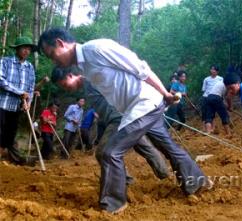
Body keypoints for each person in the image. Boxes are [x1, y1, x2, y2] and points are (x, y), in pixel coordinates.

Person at [39, 28, 209, 214]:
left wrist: (165, 94)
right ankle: (197, 183)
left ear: (61, 43)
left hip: (145, 104)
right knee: (167, 146)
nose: (54, 61)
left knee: (110, 152)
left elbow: (140, 67)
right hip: (135, 109)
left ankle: (113, 205)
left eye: (52, 55)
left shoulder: (96, 48)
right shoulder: (83, 67)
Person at [51, 67, 170, 181]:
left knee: (102, 153)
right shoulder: (87, 86)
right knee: (143, 146)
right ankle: (164, 174)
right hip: (123, 118)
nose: (66, 89)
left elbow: (118, 87)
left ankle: (125, 180)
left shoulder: (92, 79)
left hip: (118, 119)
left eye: (64, 84)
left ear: (70, 76)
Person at [0, 36, 37, 165]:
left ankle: (6, 157)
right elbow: (1, 80)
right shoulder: (5, 61)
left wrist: (29, 102)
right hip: (2, 103)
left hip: (16, 107)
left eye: (29, 49)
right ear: (17, 49)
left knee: (10, 134)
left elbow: (31, 87)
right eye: (24, 48)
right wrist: (20, 92)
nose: (26, 51)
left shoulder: (30, 67)